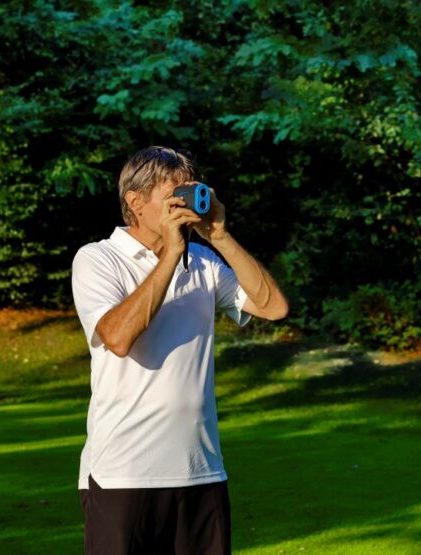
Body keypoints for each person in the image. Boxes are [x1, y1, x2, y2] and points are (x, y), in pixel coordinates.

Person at [71, 146, 290, 554]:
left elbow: (274, 307)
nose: (185, 203)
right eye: (175, 193)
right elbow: (117, 339)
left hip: (201, 471)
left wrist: (220, 236)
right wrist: (171, 253)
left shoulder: (204, 262)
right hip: (125, 475)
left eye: (190, 191)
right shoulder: (97, 258)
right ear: (135, 201)